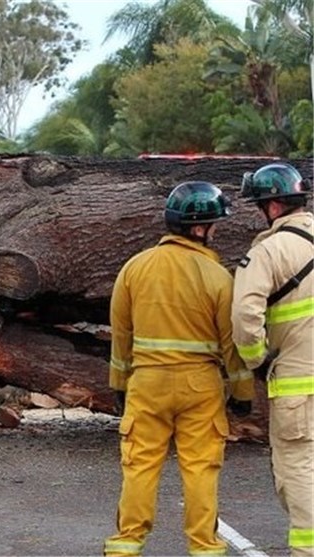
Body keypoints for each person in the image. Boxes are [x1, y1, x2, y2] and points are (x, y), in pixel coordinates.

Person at [103, 182, 253, 556]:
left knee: (139, 465)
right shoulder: (219, 278)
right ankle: (204, 546)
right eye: (215, 224)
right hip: (200, 386)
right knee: (201, 468)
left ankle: (126, 544)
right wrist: (242, 394)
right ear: (199, 228)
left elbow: (121, 335)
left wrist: (119, 383)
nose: (216, 231)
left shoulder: (134, 269)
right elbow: (230, 345)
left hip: (147, 383)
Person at [231, 162, 314, 557]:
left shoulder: (267, 252)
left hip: (298, 388)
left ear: (275, 206)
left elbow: (245, 318)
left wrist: (257, 361)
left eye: (261, 204)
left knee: (298, 471)